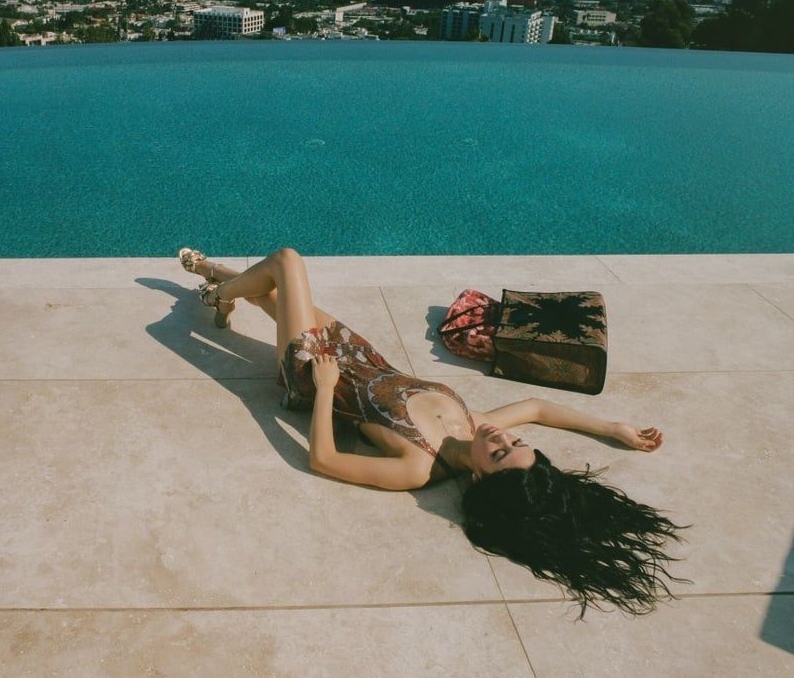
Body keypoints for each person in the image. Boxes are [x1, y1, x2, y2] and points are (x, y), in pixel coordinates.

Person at [178, 246, 686, 616]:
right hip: (362, 354)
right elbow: (535, 407)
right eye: (515, 442)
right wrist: (611, 427)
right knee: (272, 291)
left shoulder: (419, 466)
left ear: (481, 478)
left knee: (287, 263)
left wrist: (326, 387)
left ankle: (215, 291)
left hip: (313, 373)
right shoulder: (475, 427)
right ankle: (216, 283)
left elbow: (323, 460)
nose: (501, 437)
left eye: (499, 453)